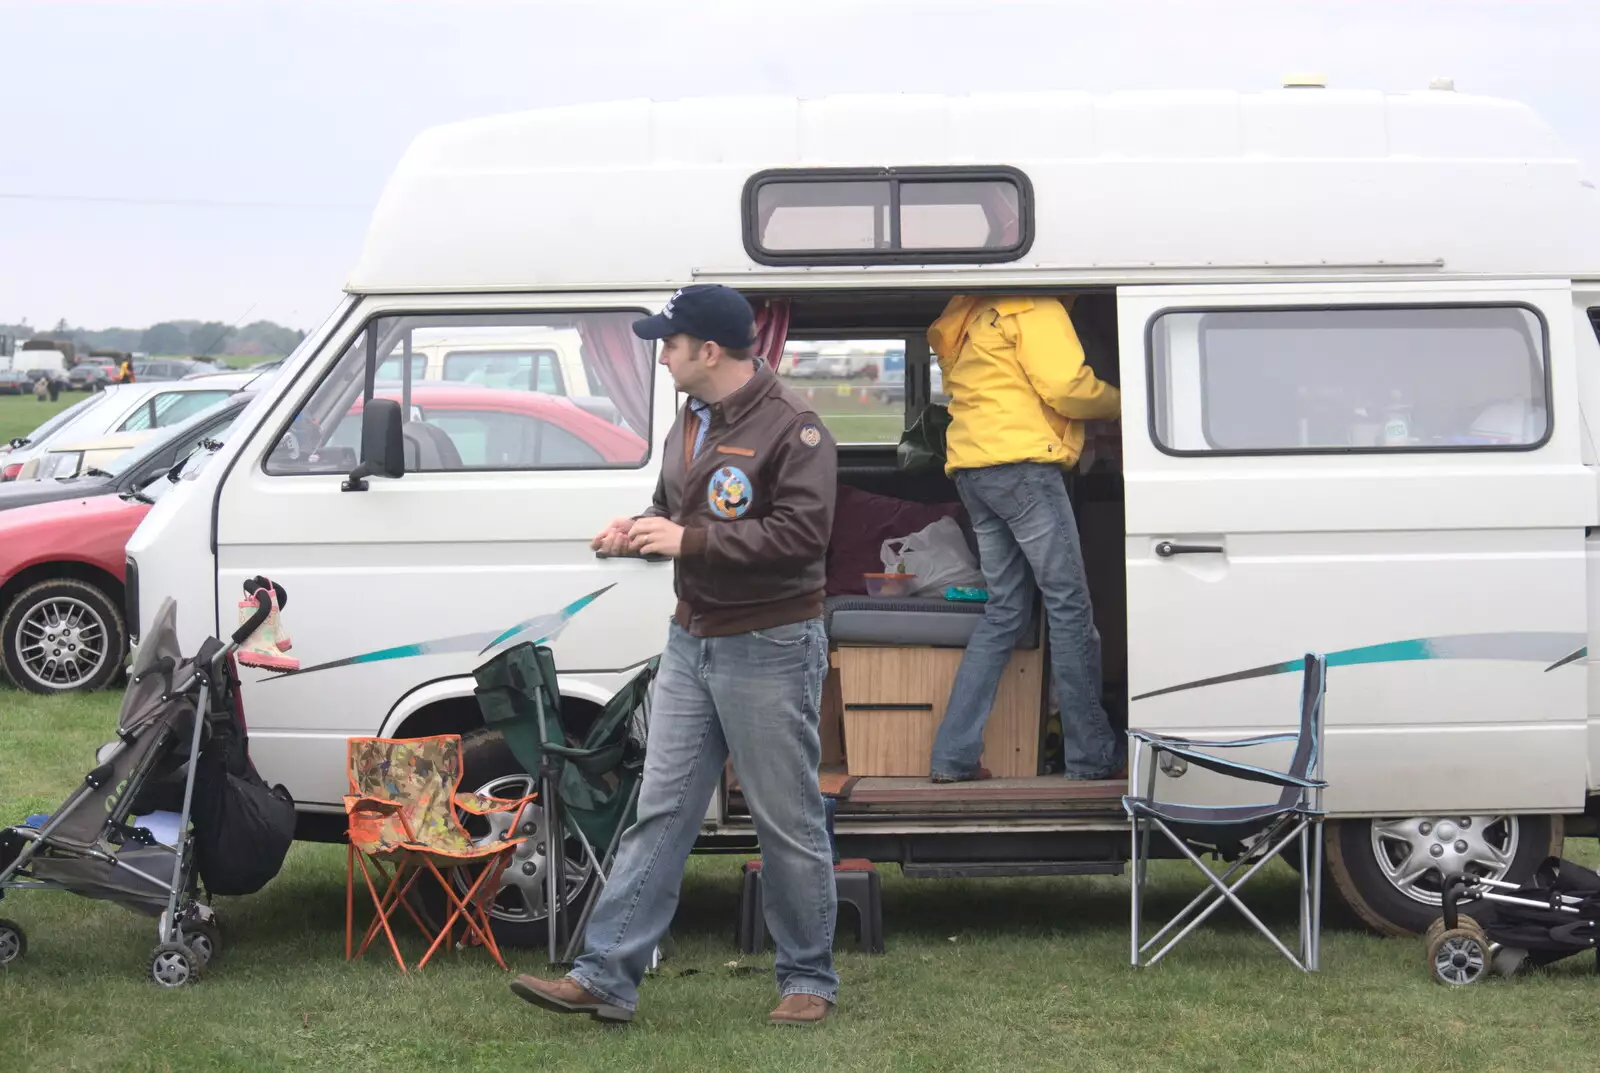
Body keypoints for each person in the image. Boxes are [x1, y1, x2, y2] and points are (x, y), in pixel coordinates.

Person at [508, 283, 841, 1027]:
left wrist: (690, 541)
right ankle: (605, 977)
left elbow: (803, 536)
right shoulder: (689, 423)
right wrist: (640, 527)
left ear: (709, 351)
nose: (661, 355)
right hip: (693, 639)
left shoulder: (796, 427)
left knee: (785, 817)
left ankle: (809, 977)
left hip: (771, 642)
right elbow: (675, 509)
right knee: (660, 810)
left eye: (671, 342)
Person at [926, 295, 1125, 783]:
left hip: (974, 469)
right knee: (1069, 606)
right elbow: (1068, 389)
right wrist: (1128, 403)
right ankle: (1091, 754)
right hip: (1023, 468)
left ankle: (953, 755)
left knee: (1005, 612)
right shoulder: (1036, 308)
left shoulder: (971, 316)